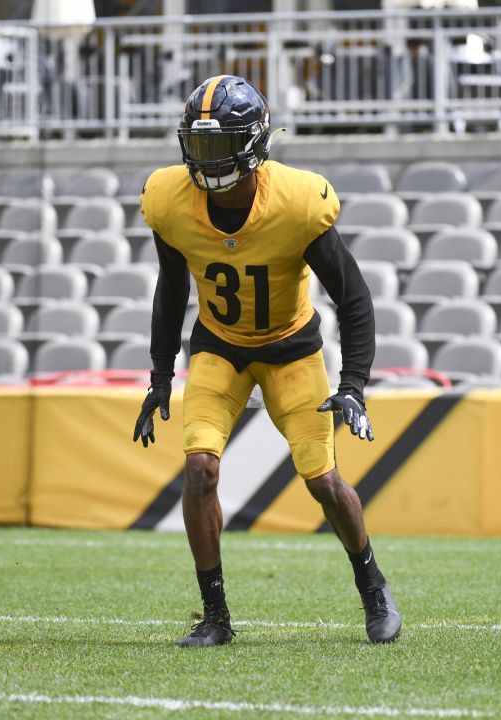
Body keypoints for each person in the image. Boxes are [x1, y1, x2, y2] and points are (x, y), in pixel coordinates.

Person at [134, 75, 401, 647]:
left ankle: (372, 584)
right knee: (200, 468)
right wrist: (160, 375)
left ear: (254, 143)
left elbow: (353, 299)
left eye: (219, 144)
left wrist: (353, 384)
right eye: (198, 145)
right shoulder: (169, 199)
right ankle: (215, 617)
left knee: (323, 482)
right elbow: (170, 288)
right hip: (219, 346)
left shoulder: (297, 202)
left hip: (290, 348)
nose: (206, 161)